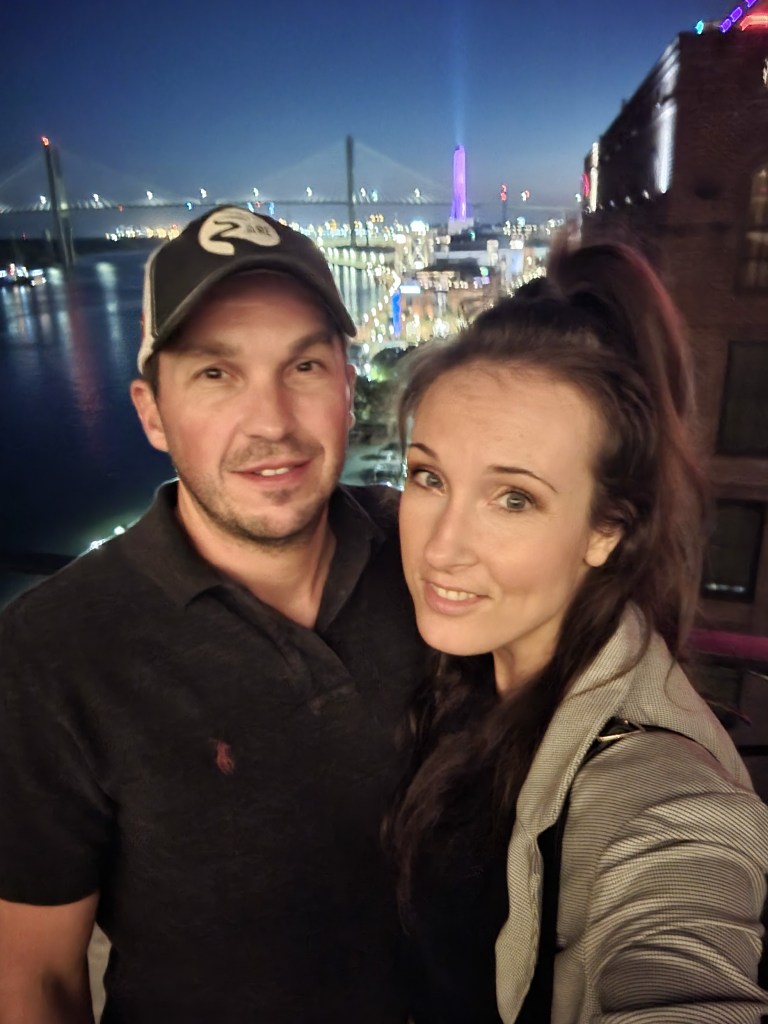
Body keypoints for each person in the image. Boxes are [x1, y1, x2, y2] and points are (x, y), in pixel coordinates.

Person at [0, 206, 425, 1023]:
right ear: (151, 412)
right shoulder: (53, 652)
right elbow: (38, 980)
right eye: (215, 374)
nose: (271, 422)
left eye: (303, 367)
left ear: (346, 384)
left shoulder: (431, 556)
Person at [387, 241, 768, 1023]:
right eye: (429, 477)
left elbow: (677, 943)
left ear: (606, 529)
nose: (440, 546)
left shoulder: (659, 785)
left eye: (514, 499)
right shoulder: (465, 675)